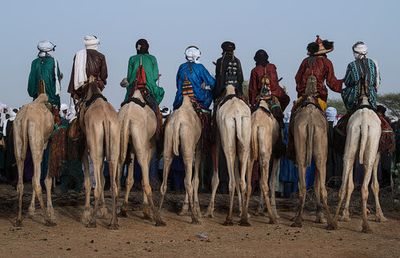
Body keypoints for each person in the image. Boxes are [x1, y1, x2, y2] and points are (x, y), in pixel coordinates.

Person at [287, 35, 343, 160]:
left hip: (304, 97)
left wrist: (301, 91)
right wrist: (343, 84)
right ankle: (327, 148)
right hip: (319, 98)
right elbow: (332, 82)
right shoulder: (327, 62)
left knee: (293, 117)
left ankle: (291, 148)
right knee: (326, 119)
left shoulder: (305, 61)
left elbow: (297, 78)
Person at [248, 49, 290, 156]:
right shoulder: (272, 67)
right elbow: (275, 84)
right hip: (273, 97)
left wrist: (252, 103)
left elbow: (252, 89)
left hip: (259, 98)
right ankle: (279, 139)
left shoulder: (254, 70)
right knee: (285, 102)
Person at [122, 39, 165, 135]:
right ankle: (158, 132)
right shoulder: (152, 58)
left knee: (124, 106)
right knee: (156, 109)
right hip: (148, 88)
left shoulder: (132, 59)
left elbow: (129, 77)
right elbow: (154, 77)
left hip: (134, 88)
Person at [28, 40, 63, 124]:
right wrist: (55, 100)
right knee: (57, 122)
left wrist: (33, 93)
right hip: (50, 98)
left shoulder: (34, 62)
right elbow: (56, 82)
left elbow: (31, 82)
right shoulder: (53, 61)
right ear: (49, 51)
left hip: (36, 97)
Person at [173, 46, 215, 110]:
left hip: (180, 98)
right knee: (210, 93)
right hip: (198, 97)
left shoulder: (181, 67)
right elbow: (211, 82)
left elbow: (177, 84)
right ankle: (205, 112)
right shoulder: (200, 67)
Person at [68, 35, 108, 100]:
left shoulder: (78, 55)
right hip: (96, 84)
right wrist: (102, 81)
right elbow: (104, 75)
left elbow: (74, 74)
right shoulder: (101, 56)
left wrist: (72, 91)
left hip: (81, 86)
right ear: (96, 44)